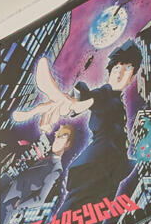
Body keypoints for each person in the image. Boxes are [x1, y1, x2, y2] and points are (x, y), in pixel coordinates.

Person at [56, 40, 144, 210]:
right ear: (110, 72)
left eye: (127, 69)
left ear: (132, 77)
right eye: (117, 68)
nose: (120, 73)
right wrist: (77, 105)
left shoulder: (118, 100)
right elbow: (90, 100)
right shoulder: (105, 93)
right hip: (94, 170)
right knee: (69, 220)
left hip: (110, 173)